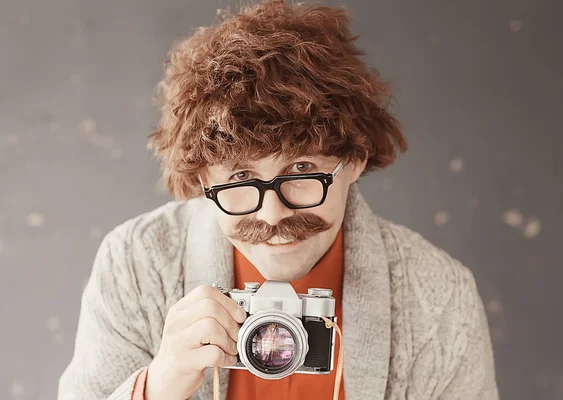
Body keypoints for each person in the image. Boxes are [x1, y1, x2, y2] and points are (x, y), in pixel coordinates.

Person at [57, 1, 499, 399]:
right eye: (242, 177)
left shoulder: (439, 299)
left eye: (303, 171)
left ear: (355, 160)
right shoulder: (136, 266)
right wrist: (156, 387)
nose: (272, 213)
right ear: (202, 178)